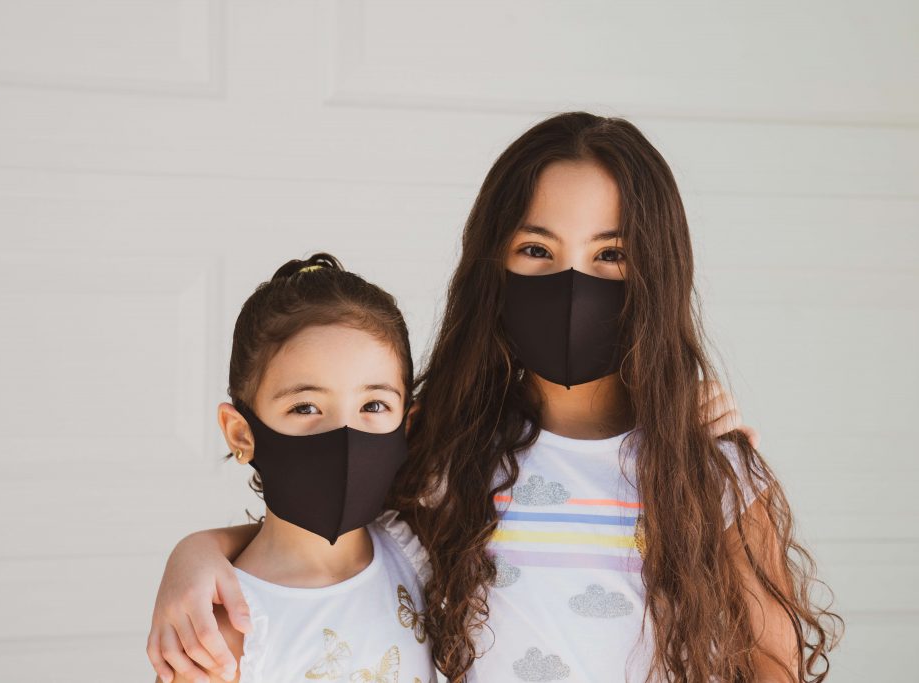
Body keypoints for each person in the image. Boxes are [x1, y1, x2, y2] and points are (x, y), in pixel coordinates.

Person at [148, 113, 840, 683]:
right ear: (494, 265)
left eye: (611, 255)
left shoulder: (709, 476)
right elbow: (316, 527)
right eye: (537, 249)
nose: (573, 282)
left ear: (655, 274)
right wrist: (196, 552)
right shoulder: (446, 455)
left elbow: (774, 668)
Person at [164, 253, 436, 683]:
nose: (345, 433)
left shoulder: (416, 552)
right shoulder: (223, 634)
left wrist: (195, 548)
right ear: (241, 434)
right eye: (305, 406)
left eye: (373, 405)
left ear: (408, 424)